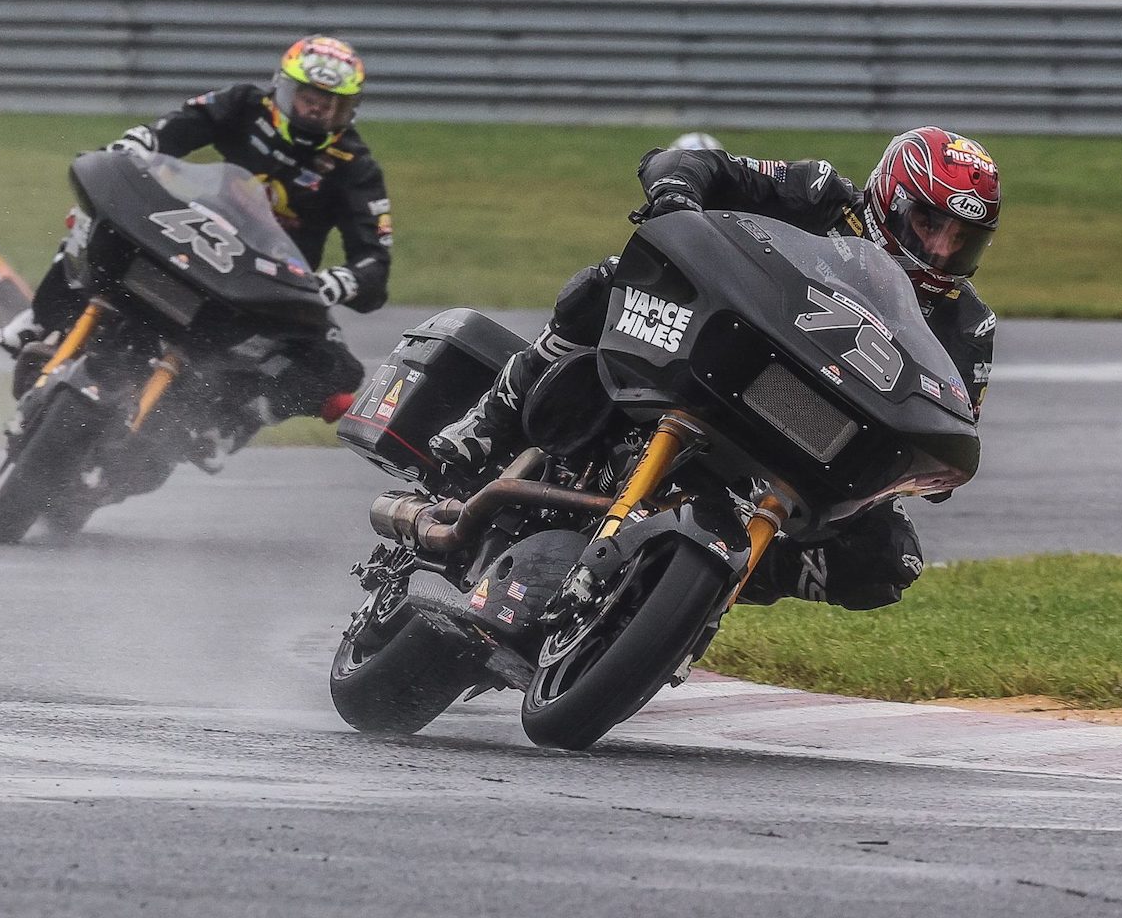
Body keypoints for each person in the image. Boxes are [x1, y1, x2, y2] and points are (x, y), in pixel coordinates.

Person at [429, 126, 1001, 612]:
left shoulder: (969, 326)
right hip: (723, 362)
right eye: (929, 224)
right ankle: (492, 418)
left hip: (814, 441)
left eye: (963, 240)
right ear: (888, 199)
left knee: (889, 561)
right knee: (606, 281)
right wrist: (676, 193)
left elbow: (951, 423)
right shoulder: (820, 194)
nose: (943, 251)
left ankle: (714, 581)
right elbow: (693, 163)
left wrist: (933, 465)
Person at [0, 34, 389, 422]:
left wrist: (339, 282)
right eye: (308, 98)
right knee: (99, 215)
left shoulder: (355, 165)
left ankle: (235, 423)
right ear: (282, 88)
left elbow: (375, 258)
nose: (316, 112)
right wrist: (142, 141)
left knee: (339, 369)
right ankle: (41, 319)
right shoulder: (243, 104)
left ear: (350, 110)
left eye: (331, 105)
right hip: (196, 232)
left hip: (268, 280)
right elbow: (181, 126)